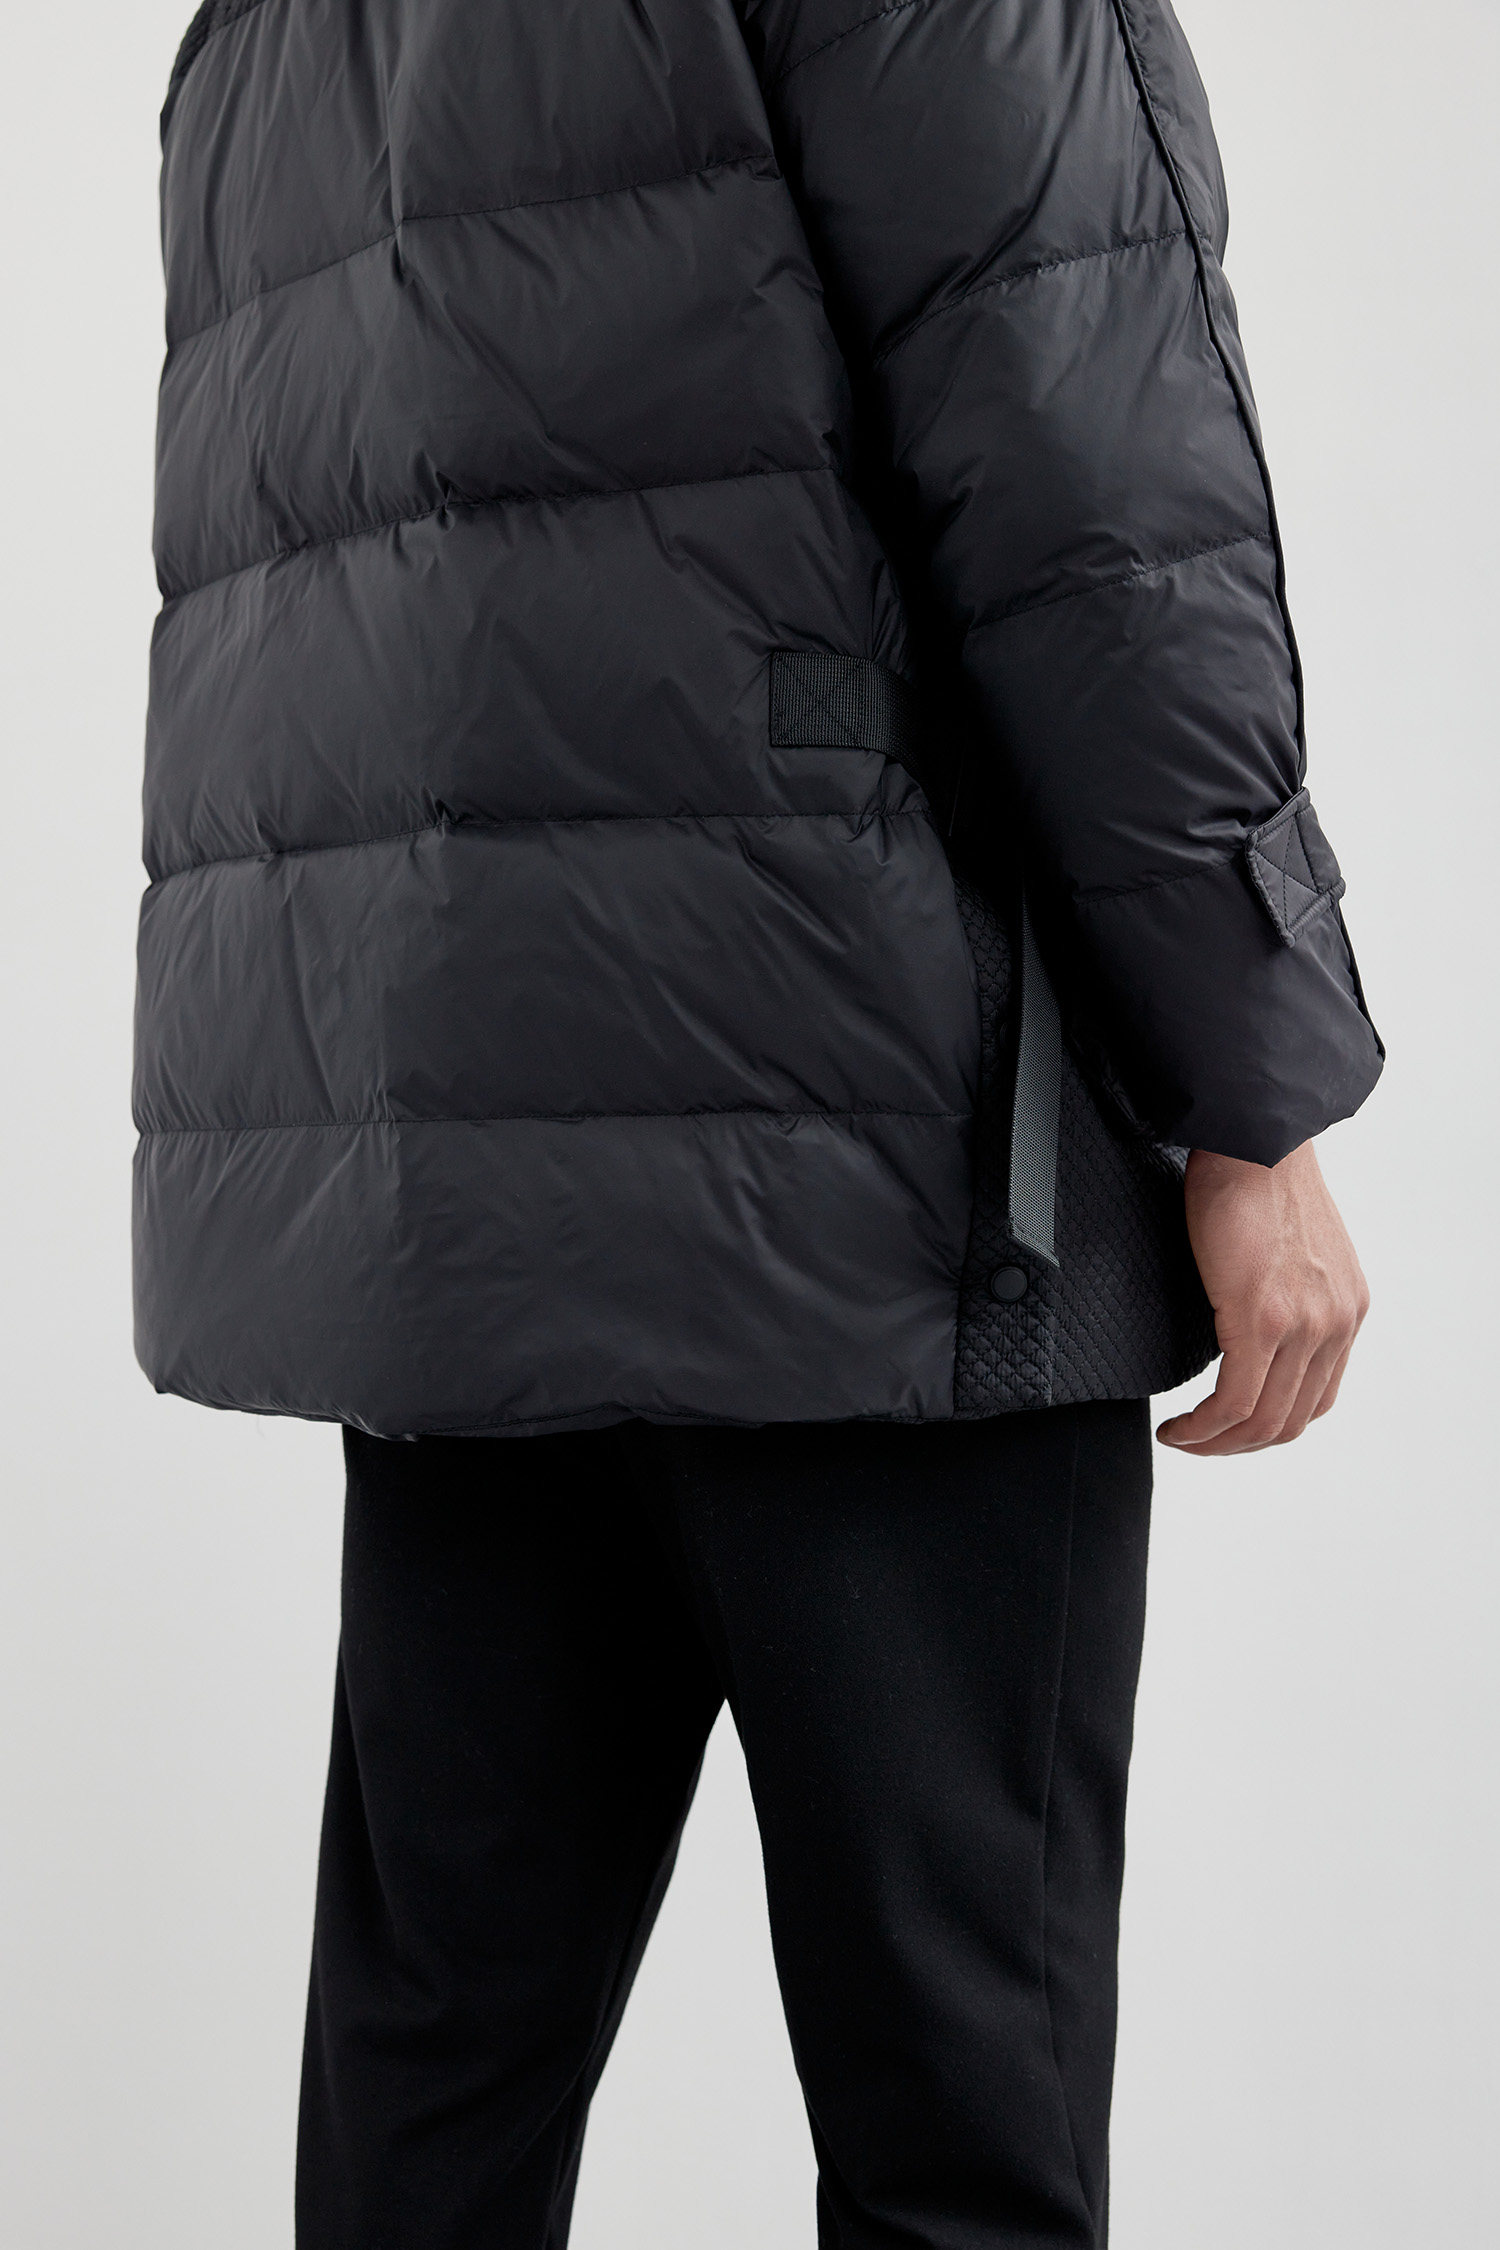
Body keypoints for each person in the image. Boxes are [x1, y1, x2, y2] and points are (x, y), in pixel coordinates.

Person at [136, 1, 1381, 2243]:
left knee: (429, 2116)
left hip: (464, 1225)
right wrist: (1252, 1087)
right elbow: (1097, 479)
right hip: (879, 1190)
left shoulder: (263, 26)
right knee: (961, 2147)